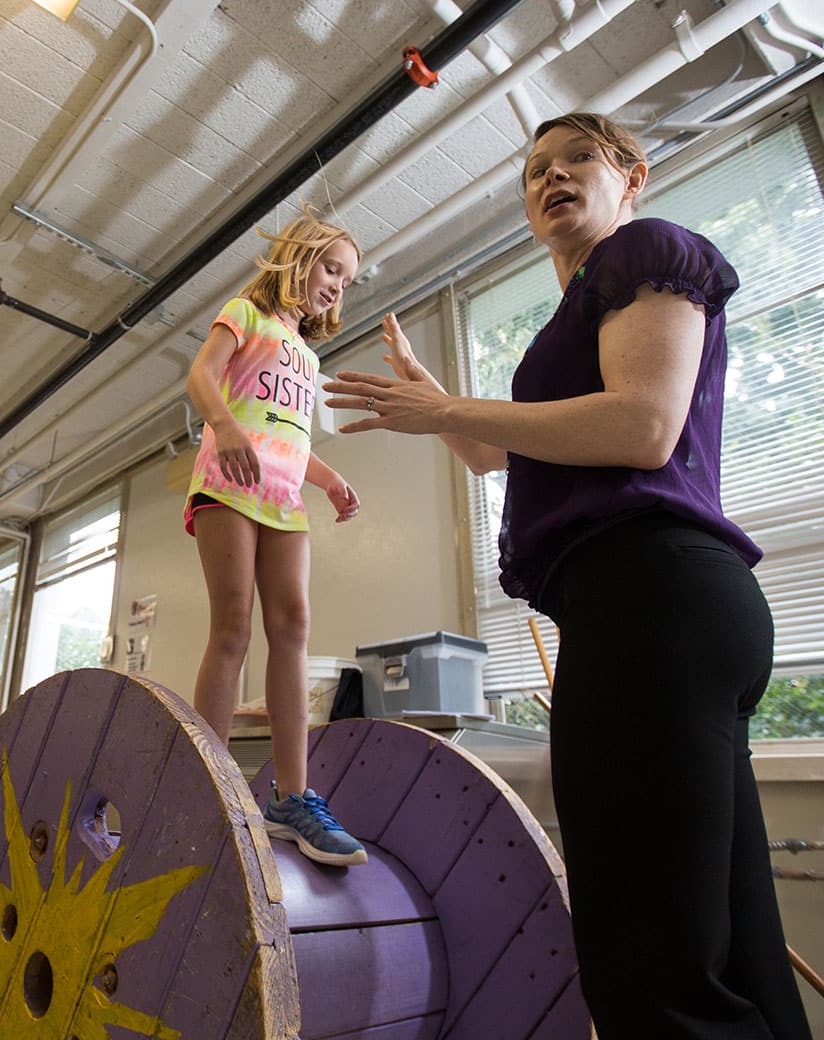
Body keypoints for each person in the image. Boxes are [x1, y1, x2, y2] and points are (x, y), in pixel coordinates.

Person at [323, 113, 810, 1037]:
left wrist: (448, 407)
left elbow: (641, 428)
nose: (550, 176)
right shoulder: (576, 322)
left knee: (647, 964)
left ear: (633, 175)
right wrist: (433, 404)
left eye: (578, 157)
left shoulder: (649, 252)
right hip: (663, 607)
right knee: (731, 952)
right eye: (534, 169)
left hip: (649, 599)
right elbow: (489, 457)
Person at [184, 206, 367, 867]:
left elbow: (289, 437)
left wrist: (328, 478)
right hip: (228, 485)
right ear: (298, 257)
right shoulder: (246, 314)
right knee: (232, 626)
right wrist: (225, 429)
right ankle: (210, 781)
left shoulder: (309, 356)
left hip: (283, 499)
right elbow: (202, 376)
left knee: (293, 624)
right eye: (330, 268)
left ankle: (292, 795)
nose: (337, 286)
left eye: (346, 280)